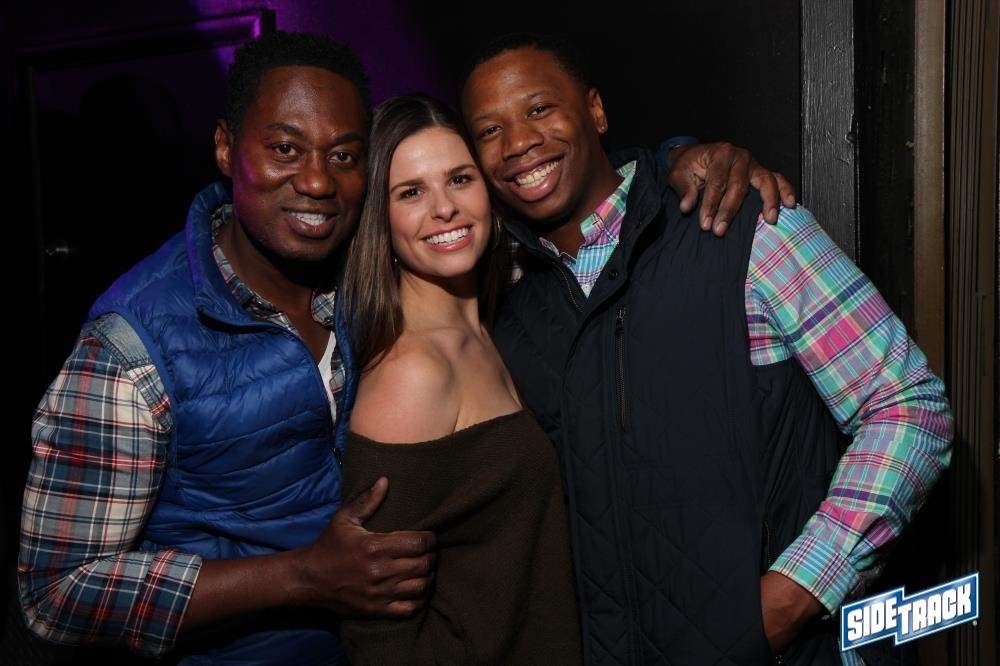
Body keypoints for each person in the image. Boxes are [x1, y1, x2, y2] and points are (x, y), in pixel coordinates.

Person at [18, 31, 789, 662]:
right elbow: (55, 593)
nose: (316, 182)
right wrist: (301, 577)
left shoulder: (381, 288)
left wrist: (680, 161)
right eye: (284, 148)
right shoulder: (134, 345)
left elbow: (551, 195)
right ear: (226, 148)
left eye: (344, 155)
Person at [461, 33, 954, 665]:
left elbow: (907, 407)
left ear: (596, 111)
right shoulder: (508, 311)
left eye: (538, 108)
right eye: (489, 130)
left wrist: (790, 599)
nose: (518, 142)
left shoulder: (743, 225)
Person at [337, 94, 581, 664]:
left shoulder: (498, 322)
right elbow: (378, 635)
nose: (444, 208)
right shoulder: (411, 374)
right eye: (411, 192)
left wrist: (679, 156)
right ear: (381, 220)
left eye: (459, 179)